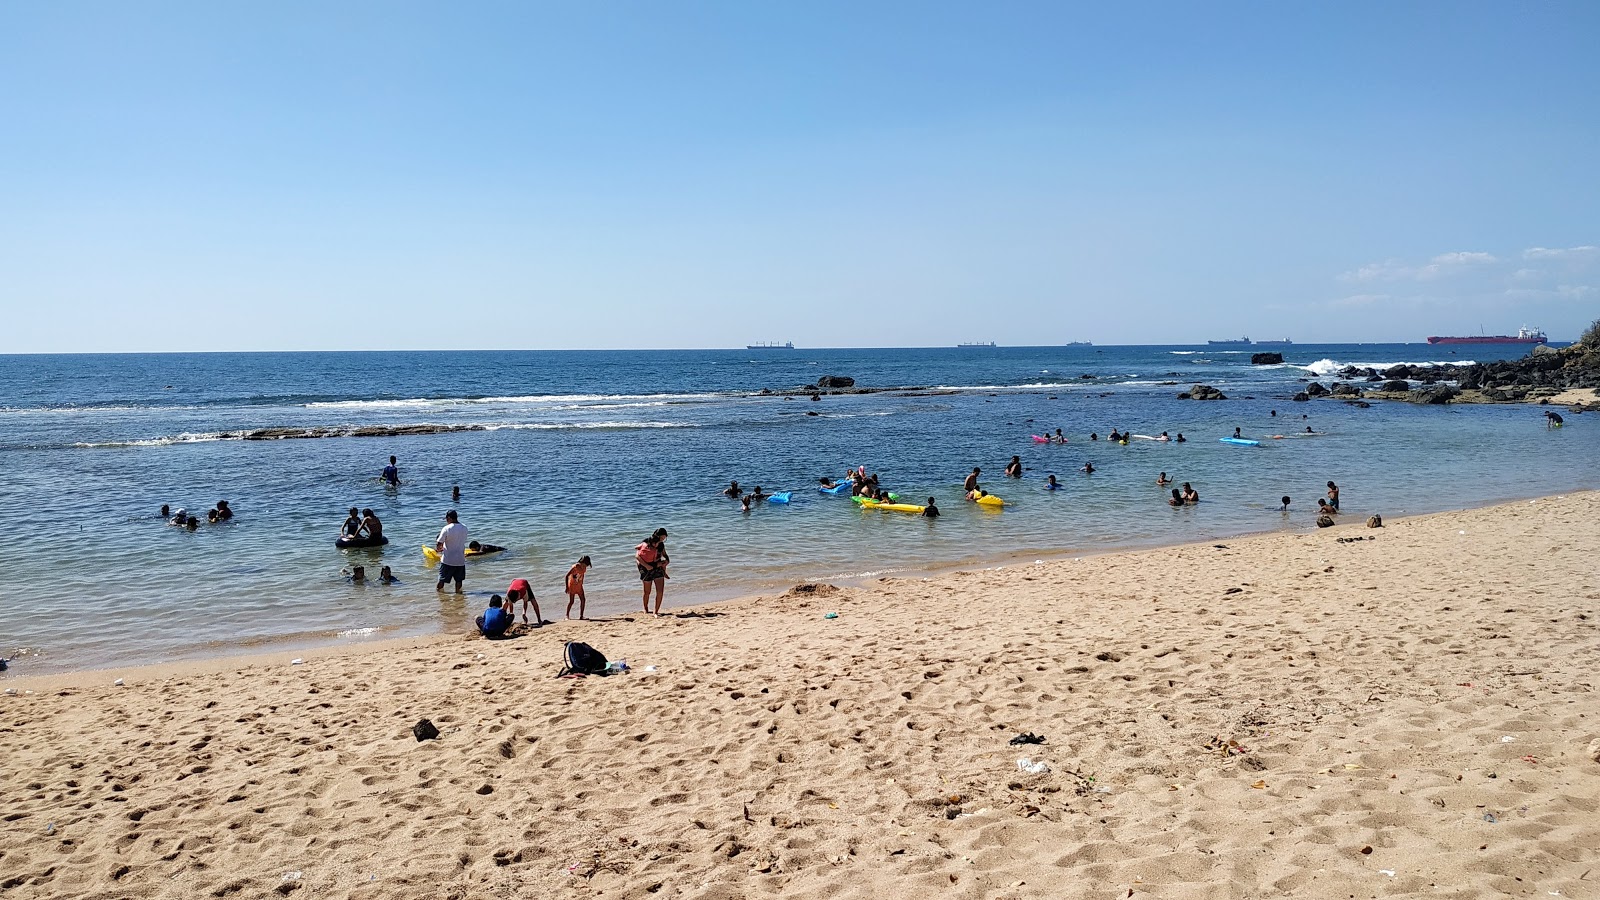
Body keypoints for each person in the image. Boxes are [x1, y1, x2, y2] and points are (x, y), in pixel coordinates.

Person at [637, 528, 669, 615]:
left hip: (657, 567)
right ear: (657, 536)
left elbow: (665, 554)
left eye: (664, 538)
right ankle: (645, 608)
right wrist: (646, 566)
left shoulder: (661, 545)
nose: (663, 539)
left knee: (660, 591)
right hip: (646, 568)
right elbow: (637, 556)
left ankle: (656, 611)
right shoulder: (646, 542)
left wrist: (667, 560)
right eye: (662, 537)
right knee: (647, 592)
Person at [435, 510, 468, 592]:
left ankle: (439, 596)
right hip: (460, 560)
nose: (446, 521)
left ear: (449, 518)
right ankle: (458, 596)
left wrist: (439, 549)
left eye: (446, 519)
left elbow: (439, 544)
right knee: (459, 581)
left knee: (441, 581)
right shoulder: (464, 527)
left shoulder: (446, 528)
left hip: (448, 560)